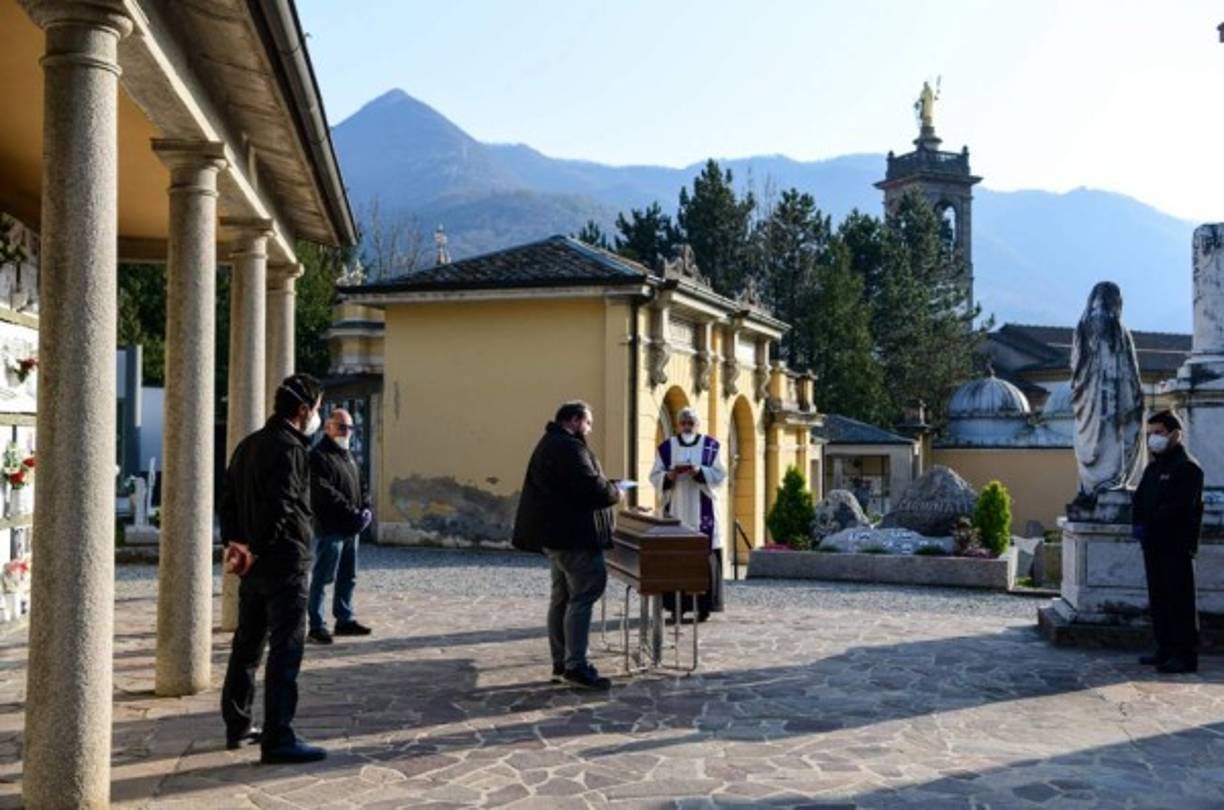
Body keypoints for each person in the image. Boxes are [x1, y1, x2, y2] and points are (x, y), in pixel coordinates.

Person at [219, 373, 327, 764]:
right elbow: (280, 508)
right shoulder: (291, 449)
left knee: (247, 645)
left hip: (252, 565)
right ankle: (278, 736)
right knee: (286, 648)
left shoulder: (247, 445)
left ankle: (238, 723)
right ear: (302, 410)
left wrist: (238, 547)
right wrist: (259, 548)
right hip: (284, 563)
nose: (316, 417)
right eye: (316, 409)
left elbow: (228, 502)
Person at [513, 401, 621, 689]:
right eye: (587, 423)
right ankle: (576, 665)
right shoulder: (568, 448)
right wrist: (615, 490)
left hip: (557, 535)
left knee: (562, 598)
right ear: (574, 420)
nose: (589, 429)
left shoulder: (552, 443)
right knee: (583, 596)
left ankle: (562, 661)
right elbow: (590, 487)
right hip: (574, 537)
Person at [1132, 410, 1204, 674]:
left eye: (1159, 433)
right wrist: (1138, 524)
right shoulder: (1154, 467)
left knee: (1179, 600)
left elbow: (1179, 507)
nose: (1154, 439)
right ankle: (1164, 649)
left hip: (1176, 545)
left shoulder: (1187, 468)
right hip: (1153, 544)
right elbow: (1139, 499)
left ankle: (1184, 655)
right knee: (1159, 598)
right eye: (1151, 434)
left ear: (1175, 434)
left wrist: (1151, 523)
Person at [649, 407, 728, 621]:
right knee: (676, 557)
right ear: (677, 425)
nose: (687, 427)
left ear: (697, 424)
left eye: (690, 423)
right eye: (683, 423)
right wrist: (670, 475)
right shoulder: (667, 447)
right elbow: (654, 476)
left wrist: (699, 472)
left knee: (705, 556)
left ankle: (704, 607)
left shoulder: (711, 446)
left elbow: (721, 475)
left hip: (703, 510)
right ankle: (676, 607)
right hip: (676, 508)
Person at [307, 408, 373, 645]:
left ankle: (344, 619)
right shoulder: (318, 456)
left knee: (348, 576)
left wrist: (366, 507)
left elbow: (361, 484)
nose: (347, 431)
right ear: (328, 427)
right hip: (332, 527)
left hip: (351, 529)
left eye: (350, 427)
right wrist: (353, 512)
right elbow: (325, 492)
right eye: (342, 426)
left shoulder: (348, 454)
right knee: (324, 577)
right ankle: (316, 625)